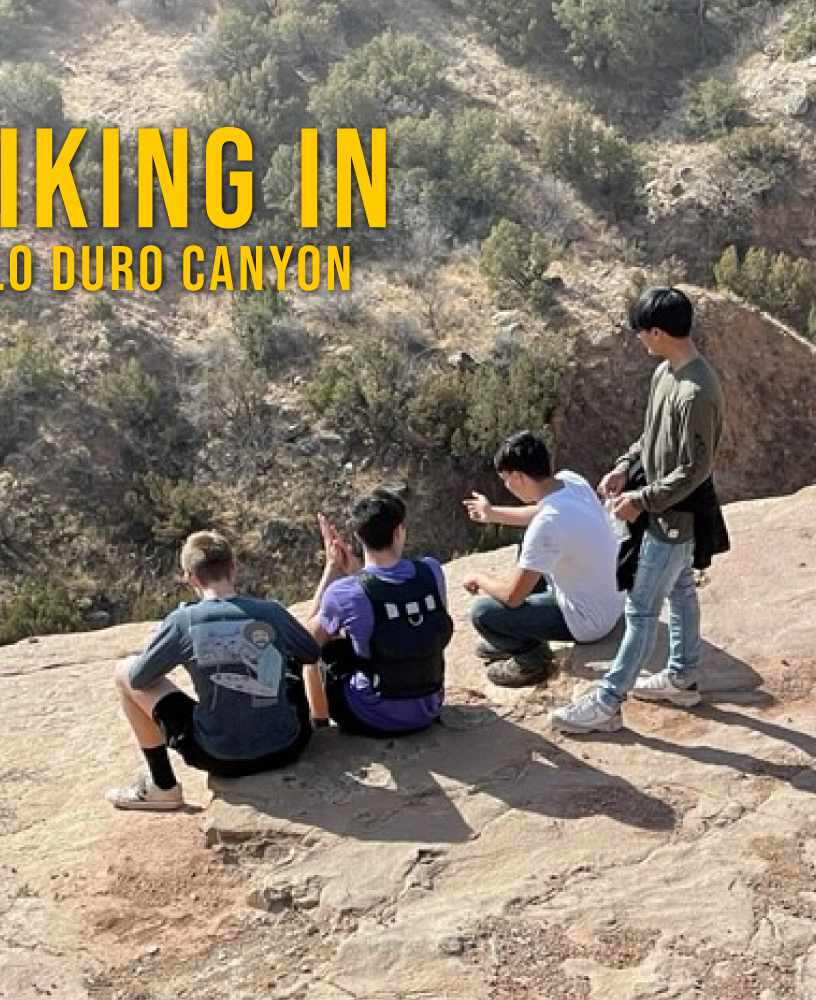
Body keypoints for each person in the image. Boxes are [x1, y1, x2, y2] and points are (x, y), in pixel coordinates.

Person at [549, 286, 725, 733]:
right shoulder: (667, 373)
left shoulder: (696, 392)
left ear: (660, 332)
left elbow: (694, 469)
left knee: (641, 610)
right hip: (663, 510)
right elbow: (650, 437)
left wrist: (640, 501)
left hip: (675, 518)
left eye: (643, 333)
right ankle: (682, 677)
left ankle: (608, 703)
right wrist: (626, 467)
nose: (640, 340)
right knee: (682, 587)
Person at [107, 531, 320, 810]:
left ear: (189, 576)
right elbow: (311, 654)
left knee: (124, 671)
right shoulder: (270, 612)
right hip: (286, 747)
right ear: (233, 568)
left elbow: (139, 679)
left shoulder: (183, 621)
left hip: (219, 757)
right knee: (286, 658)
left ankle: (162, 785)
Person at [463, 431, 625, 687]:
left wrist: (478, 578)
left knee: (484, 614)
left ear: (518, 476)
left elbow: (512, 596)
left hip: (589, 620)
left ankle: (533, 661)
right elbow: (541, 512)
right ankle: (518, 630)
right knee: (527, 549)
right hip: (611, 600)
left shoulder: (548, 524)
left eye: (506, 480)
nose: (507, 486)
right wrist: (491, 513)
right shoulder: (570, 481)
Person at [304, 489, 454, 737]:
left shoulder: (344, 593)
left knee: (330, 649)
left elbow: (306, 642)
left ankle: (319, 724)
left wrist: (331, 569)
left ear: (358, 536)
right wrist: (357, 574)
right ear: (398, 531)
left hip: (371, 717)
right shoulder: (431, 571)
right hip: (428, 708)